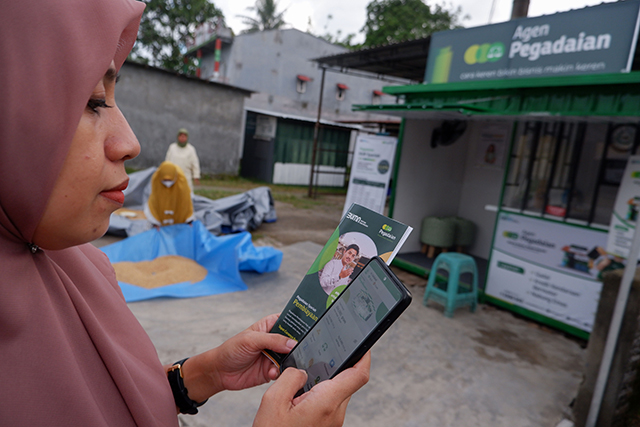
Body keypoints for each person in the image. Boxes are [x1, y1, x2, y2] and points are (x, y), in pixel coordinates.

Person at [0, 1, 369, 426]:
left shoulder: (80, 262)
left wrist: (202, 373)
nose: (130, 143)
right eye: (93, 101)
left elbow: (108, 395)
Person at [145, 161, 195, 226]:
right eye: (165, 180)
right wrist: (155, 221)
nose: (167, 183)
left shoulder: (181, 181)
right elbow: (154, 201)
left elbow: (186, 202)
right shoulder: (156, 179)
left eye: (170, 180)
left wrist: (188, 219)